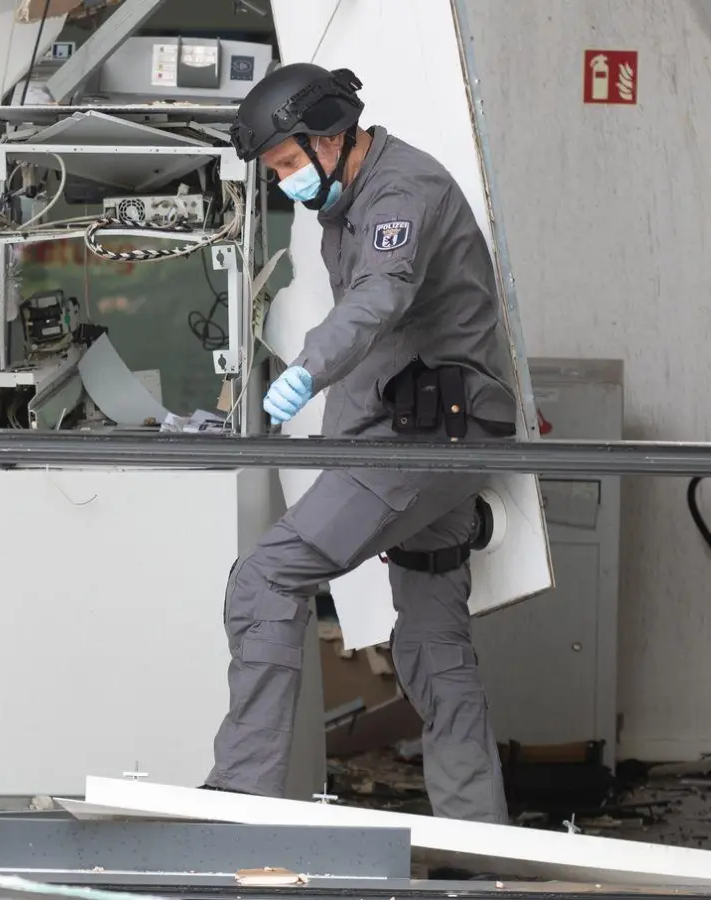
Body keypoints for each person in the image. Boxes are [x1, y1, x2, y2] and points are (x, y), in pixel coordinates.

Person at [203, 63, 519, 825]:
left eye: (284, 165)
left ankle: (237, 804)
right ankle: (478, 841)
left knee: (265, 581)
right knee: (434, 643)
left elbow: (379, 300)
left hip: (421, 443)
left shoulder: (400, 193)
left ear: (330, 137)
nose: (283, 184)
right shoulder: (348, 197)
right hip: (427, 431)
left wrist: (306, 371)